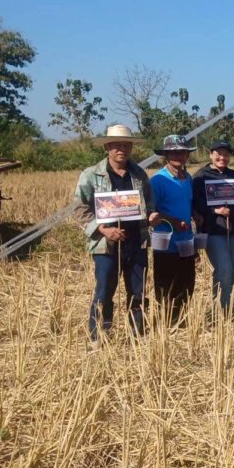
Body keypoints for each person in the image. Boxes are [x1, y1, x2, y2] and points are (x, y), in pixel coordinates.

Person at [73, 124, 154, 341]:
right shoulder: (91, 175)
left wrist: (152, 216)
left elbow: (149, 204)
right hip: (105, 246)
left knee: (138, 292)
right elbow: (79, 208)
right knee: (104, 292)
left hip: (136, 243)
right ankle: (98, 336)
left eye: (126, 145)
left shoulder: (139, 174)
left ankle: (137, 334)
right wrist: (103, 229)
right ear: (107, 147)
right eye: (117, 145)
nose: (122, 149)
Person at [192, 141, 234, 312]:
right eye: (218, 154)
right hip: (213, 229)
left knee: (231, 270)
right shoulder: (200, 176)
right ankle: (222, 308)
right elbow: (194, 203)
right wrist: (215, 210)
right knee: (224, 268)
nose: (222, 157)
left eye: (226, 154)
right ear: (211, 155)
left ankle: (222, 303)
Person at [149, 134, 197, 325]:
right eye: (174, 153)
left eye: (182, 152)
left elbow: (188, 204)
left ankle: (181, 319)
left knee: (187, 282)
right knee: (166, 284)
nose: (179, 156)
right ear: (166, 155)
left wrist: (196, 215)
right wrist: (174, 221)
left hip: (186, 240)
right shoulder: (158, 180)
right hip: (166, 242)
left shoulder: (188, 178)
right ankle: (167, 322)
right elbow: (151, 212)